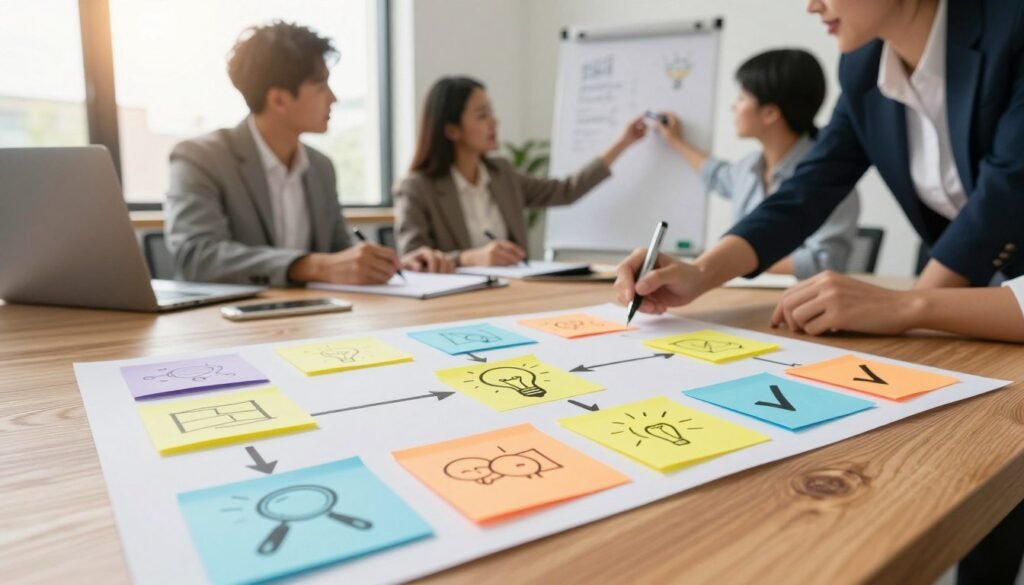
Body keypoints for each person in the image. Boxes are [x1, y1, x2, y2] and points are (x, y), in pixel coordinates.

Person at [615, 1, 1024, 582]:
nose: (810, 4)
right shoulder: (862, 70)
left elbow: (1008, 191)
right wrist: (702, 273)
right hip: (977, 299)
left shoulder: (1012, 27)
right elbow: (808, 189)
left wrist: (908, 306)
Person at [166, 21, 452, 287]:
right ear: (278, 99)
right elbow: (196, 257)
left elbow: (339, 252)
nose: (333, 98)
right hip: (223, 326)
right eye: (321, 86)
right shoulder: (200, 158)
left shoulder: (320, 166)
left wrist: (393, 264)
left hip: (312, 319)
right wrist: (311, 266)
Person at [393, 76, 646, 267]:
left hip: (513, 293)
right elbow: (414, 260)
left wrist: (623, 143)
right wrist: (471, 258)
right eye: (482, 115)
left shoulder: (502, 174)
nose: (494, 121)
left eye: (491, 112)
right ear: (451, 130)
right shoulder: (417, 187)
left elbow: (565, 190)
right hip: (453, 307)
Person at [655, 49, 860, 279]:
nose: (734, 107)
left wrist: (730, 261)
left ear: (770, 113)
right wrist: (676, 141)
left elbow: (822, 263)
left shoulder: (830, 177)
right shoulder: (749, 168)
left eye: (742, 98)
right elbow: (715, 174)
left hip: (804, 305)